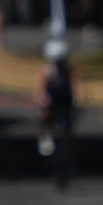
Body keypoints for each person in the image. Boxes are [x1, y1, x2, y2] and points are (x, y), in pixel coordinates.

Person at [34, 39, 77, 185]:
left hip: (65, 100)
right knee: (45, 115)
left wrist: (77, 105)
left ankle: (69, 161)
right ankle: (45, 134)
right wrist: (41, 102)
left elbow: (77, 90)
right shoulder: (46, 71)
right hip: (51, 100)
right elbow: (40, 89)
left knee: (69, 132)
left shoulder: (70, 71)